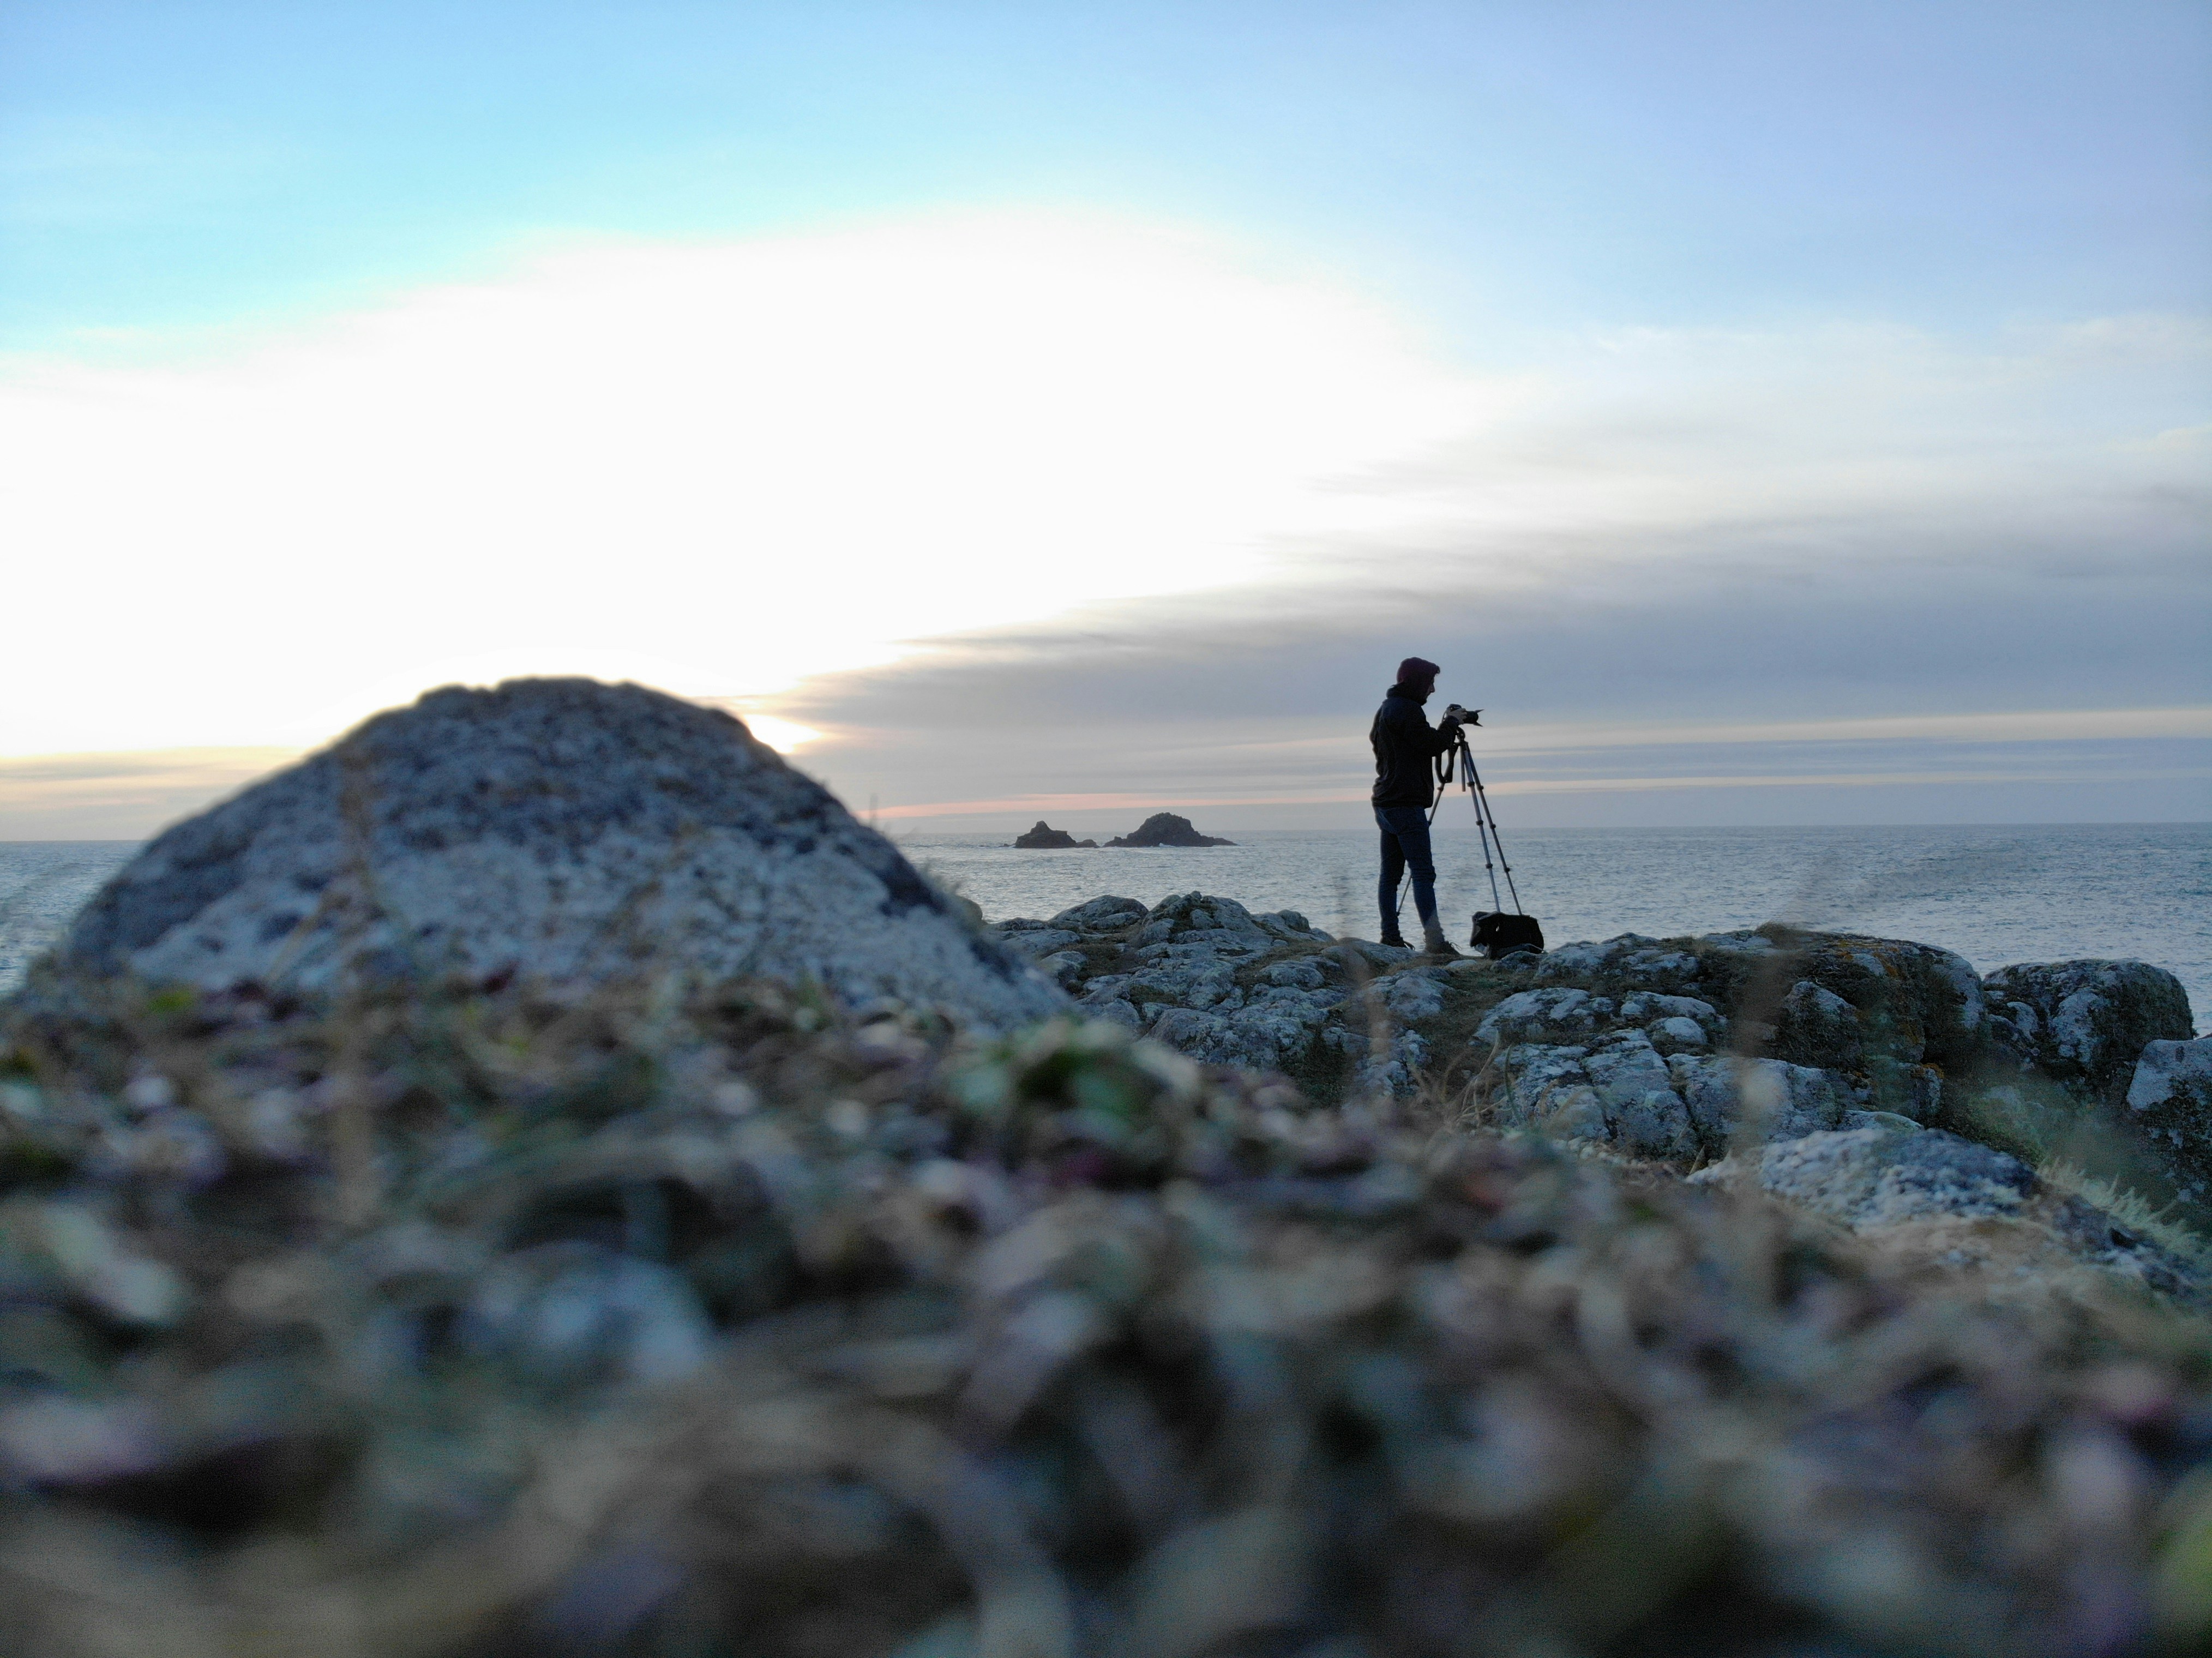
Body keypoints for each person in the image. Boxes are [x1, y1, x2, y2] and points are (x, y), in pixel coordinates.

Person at [1369, 656, 1462, 953]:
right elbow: (1433, 745)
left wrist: (1442, 728)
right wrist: (1451, 724)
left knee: (1391, 876)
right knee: (1423, 874)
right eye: (1430, 683)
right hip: (1406, 804)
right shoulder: (1408, 710)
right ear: (1416, 682)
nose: (1433, 690)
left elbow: (1414, 744)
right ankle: (1435, 942)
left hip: (1386, 802)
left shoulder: (1386, 710)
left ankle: (1390, 936)